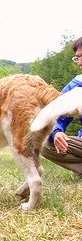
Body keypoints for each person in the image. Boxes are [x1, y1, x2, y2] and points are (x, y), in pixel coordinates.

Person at [40, 38, 82, 176]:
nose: (80, 63)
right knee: (45, 142)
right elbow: (55, 115)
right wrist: (57, 132)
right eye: (77, 58)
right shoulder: (75, 86)